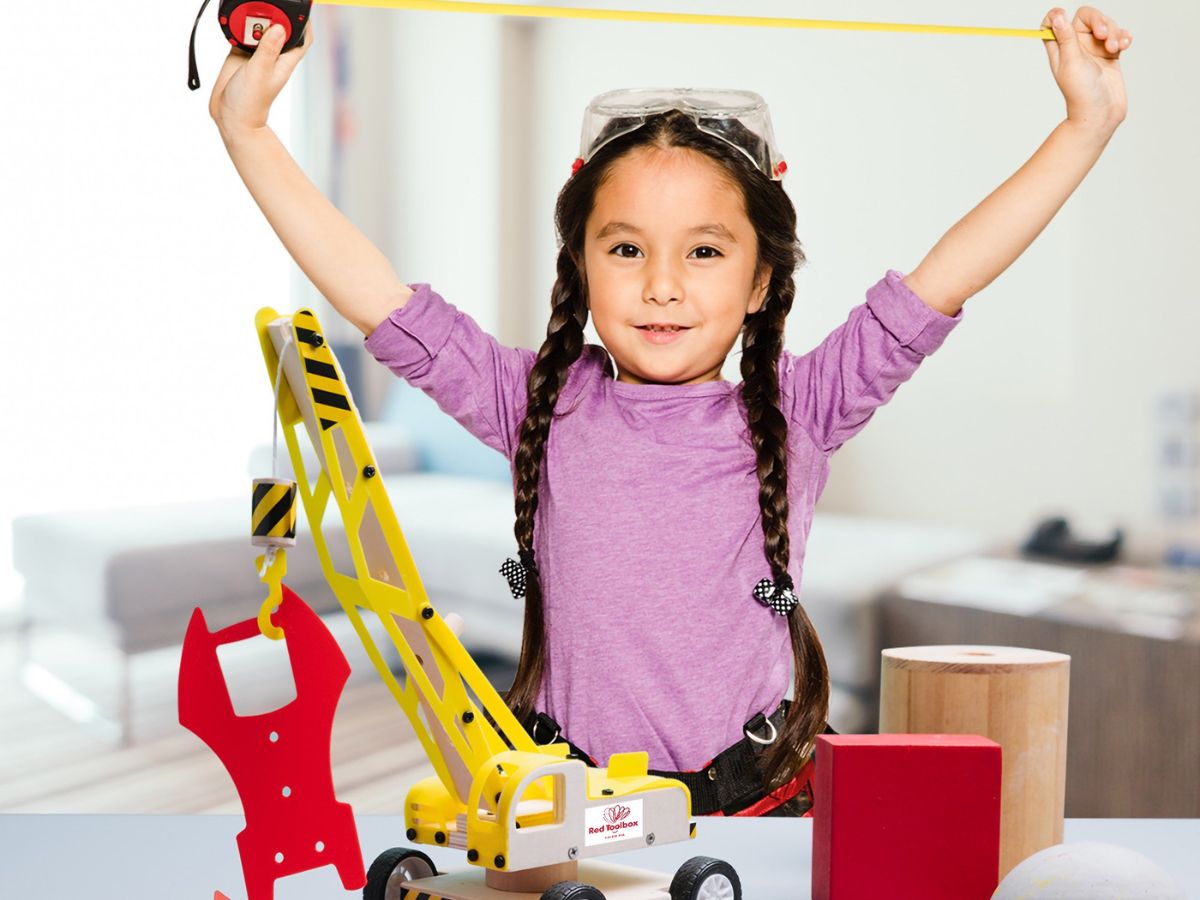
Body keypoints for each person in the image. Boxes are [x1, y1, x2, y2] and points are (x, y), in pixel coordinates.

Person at [208, 6, 1131, 816]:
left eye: (703, 252)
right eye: (624, 248)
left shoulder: (803, 407)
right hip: (562, 807)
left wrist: (1086, 125)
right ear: (580, 265)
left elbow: (945, 278)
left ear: (762, 278)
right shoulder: (540, 403)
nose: (660, 285)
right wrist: (248, 130)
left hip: (761, 806)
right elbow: (380, 300)